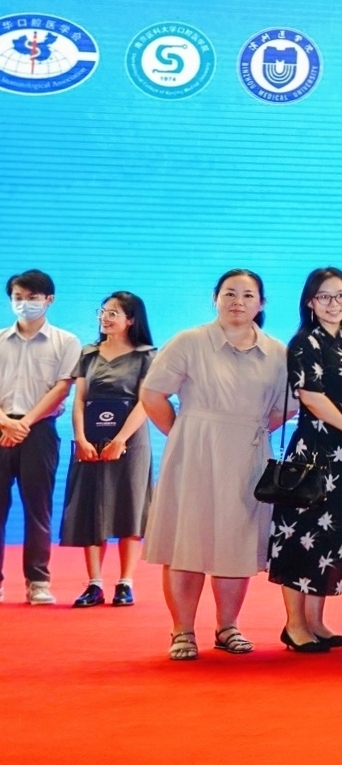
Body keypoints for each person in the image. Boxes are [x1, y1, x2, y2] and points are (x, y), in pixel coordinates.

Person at [140, 269, 291, 660]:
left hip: (248, 455)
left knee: (236, 543)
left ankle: (227, 627)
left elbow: (283, 409)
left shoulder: (277, 352)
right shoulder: (189, 341)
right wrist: (184, 432)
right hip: (194, 451)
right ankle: (182, 631)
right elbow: (152, 394)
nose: (238, 302)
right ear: (215, 298)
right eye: (230, 293)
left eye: (248, 295)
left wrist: (247, 429)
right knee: (186, 542)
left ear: (262, 303)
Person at [272, 268, 342, 652]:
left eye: (341, 295)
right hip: (314, 454)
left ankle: (316, 622)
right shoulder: (304, 342)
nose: (334, 303)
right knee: (300, 537)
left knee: (330, 538)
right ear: (311, 302)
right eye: (324, 296)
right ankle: (295, 625)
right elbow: (312, 397)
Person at [60, 292, 153, 607]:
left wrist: (121, 440)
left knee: (130, 504)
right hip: (91, 439)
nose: (105, 317)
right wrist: (81, 438)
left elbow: (146, 402)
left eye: (113, 313)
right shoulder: (89, 353)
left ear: (131, 320)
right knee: (91, 505)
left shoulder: (146, 355)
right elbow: (79, 400)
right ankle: (94, 584)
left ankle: (125, 583)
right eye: (103, 311)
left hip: (131, 441)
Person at [1, 269, 81, 605]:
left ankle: (38, 581)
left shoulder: (66, 341)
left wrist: (25, 423)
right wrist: (5, 422)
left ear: (49, 300)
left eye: (32, 297)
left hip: (40, 431)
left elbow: (63, 388)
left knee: (38, 507)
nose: (25, 303)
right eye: (18, 297)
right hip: (1, 427)